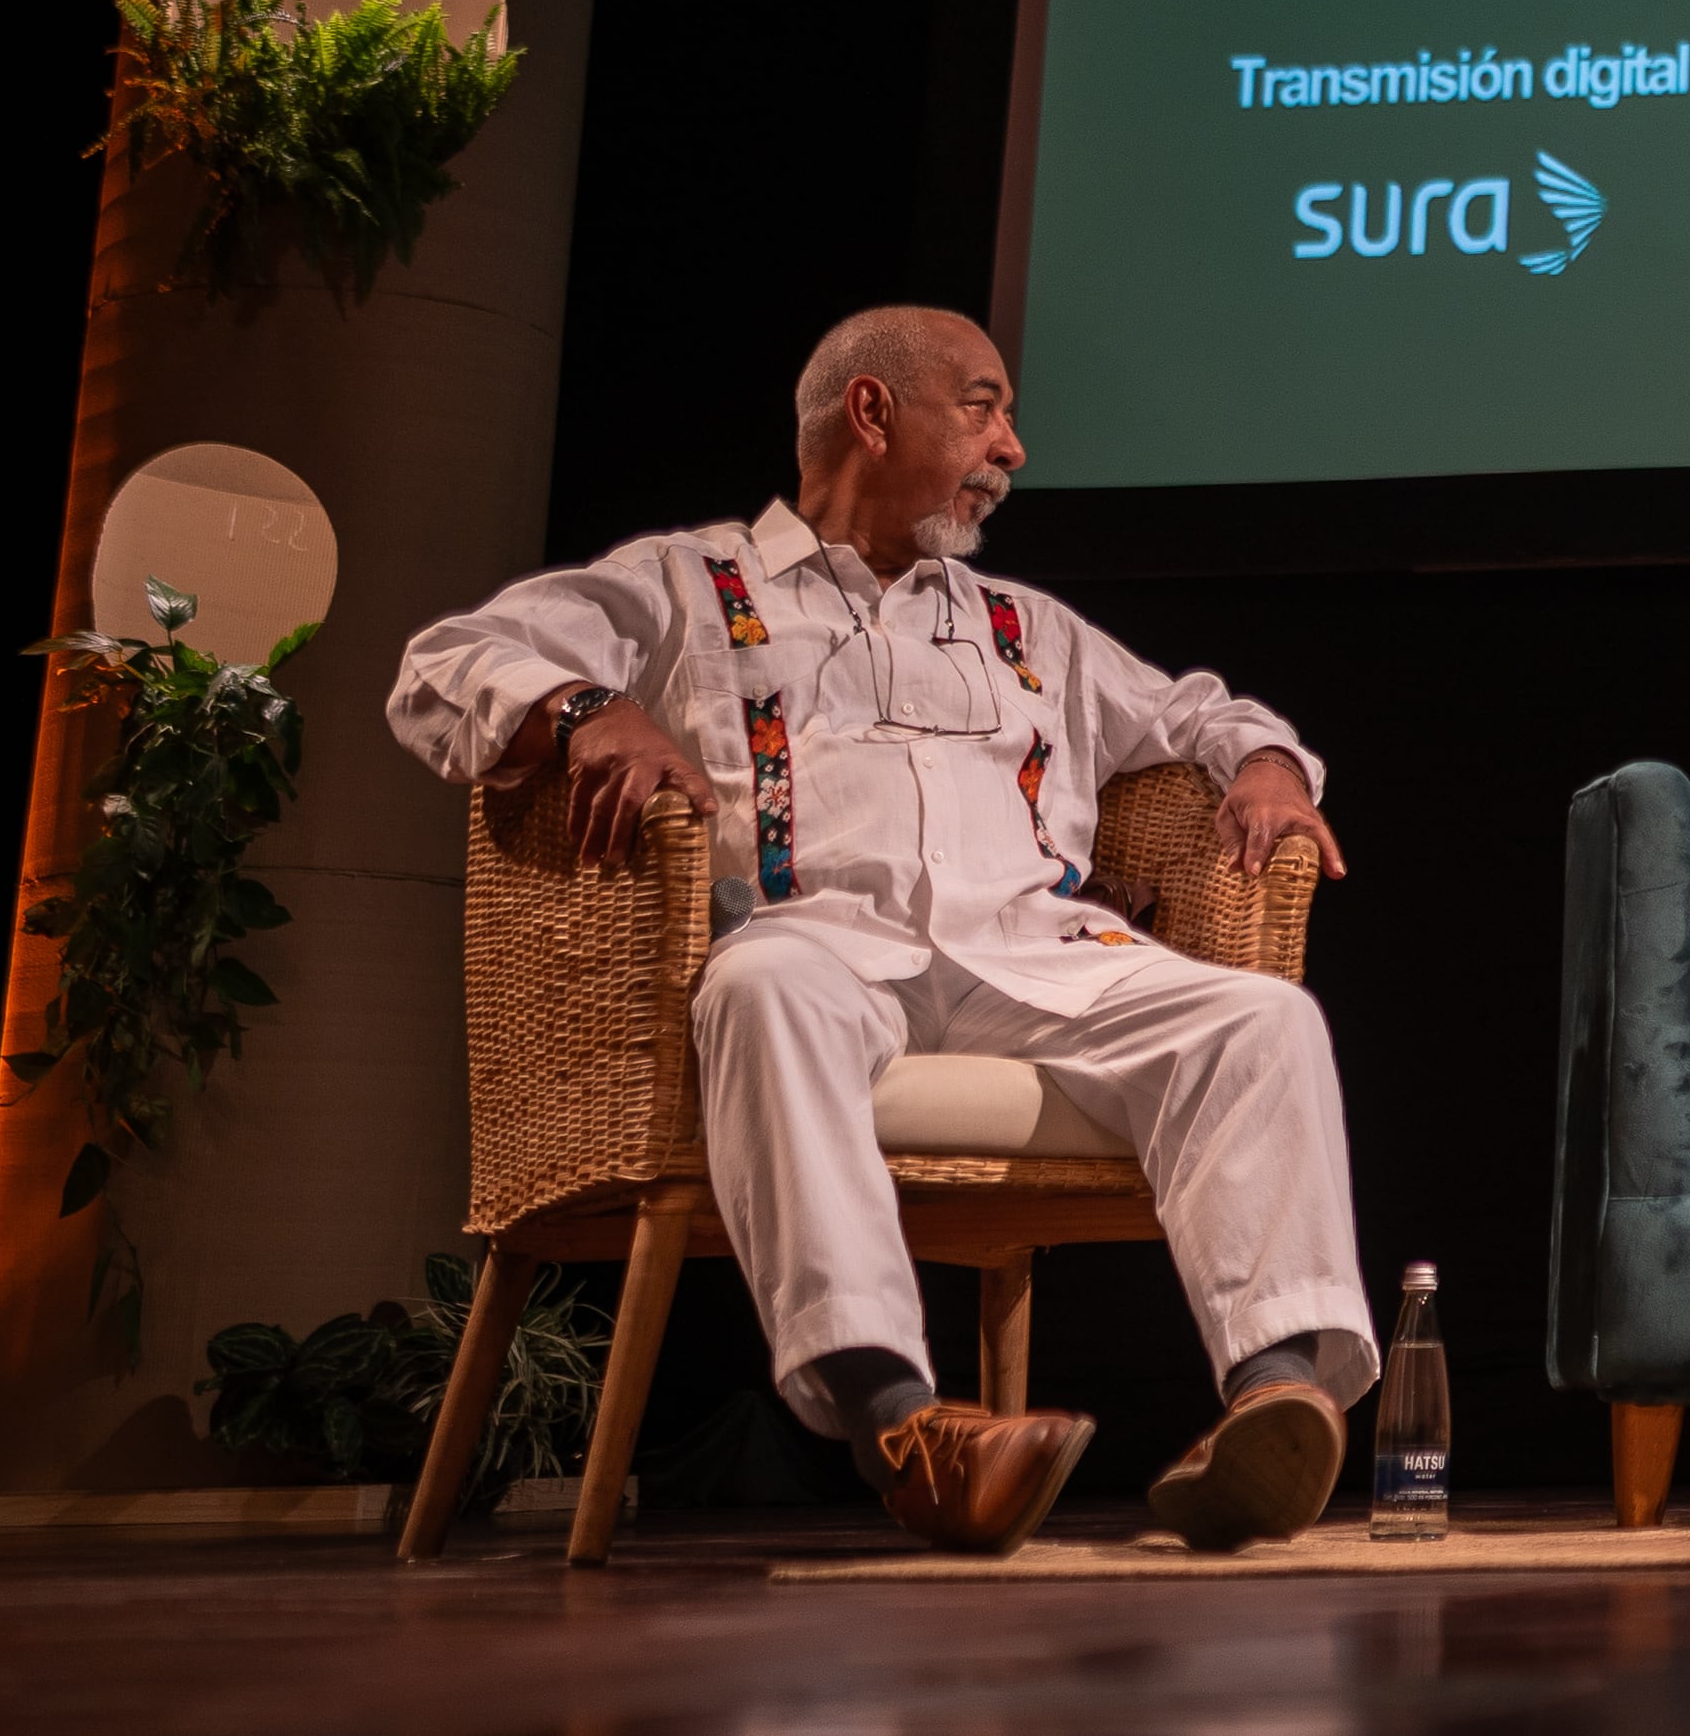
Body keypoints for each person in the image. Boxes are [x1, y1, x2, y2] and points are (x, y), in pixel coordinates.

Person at [388, 308, 1366, 1557]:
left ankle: (1273, 1395)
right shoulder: (689, 584)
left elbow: (1197, 711)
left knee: (1259, 1015)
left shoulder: (1027, 627)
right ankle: (900, 1426)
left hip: (1030, 954)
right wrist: (588, 711)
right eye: (983, 405)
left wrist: (1272, 766)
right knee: (759, 991)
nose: (1011, 446)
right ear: (871, 411)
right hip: (819, 943)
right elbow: (444, 663)